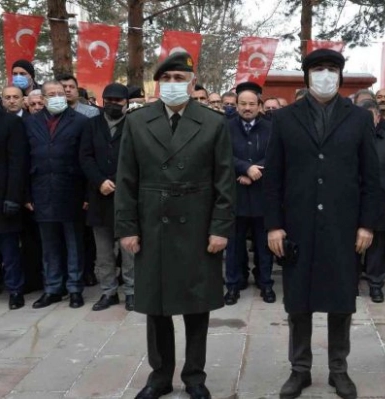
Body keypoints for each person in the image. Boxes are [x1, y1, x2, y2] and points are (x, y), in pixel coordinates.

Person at [115, 52, 235, 399]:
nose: (172, 86)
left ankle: (195, 376)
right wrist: (127, 227)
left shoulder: (213, 123)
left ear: (192, 83)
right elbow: (126, 179)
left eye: (179, 80)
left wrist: (220, 227)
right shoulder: (137, 122)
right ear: (157, 84)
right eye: (166, 80)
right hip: (153, 224)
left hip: (197, 225)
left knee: (197, 306)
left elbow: (224, 182)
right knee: (157, 305)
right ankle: (160, 376)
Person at [264, 49, 382, 399]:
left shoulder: (359, 118)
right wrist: (274, 225)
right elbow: (274, 177)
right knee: (298, 301)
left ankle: (338, 369)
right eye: (318, 69)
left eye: (332, 69)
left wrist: (367, 225)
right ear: (307, 75)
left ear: (340, 75)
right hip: (297, 224)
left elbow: (371, 178)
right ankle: (299, 369)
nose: (325, 75)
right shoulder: (285, 118)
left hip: (343, 226)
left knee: (341, 299)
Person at [24, 81, 89, 309]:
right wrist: (26, 194)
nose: (57, 97)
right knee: (49, 244)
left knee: (74, 243)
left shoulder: (80, 122)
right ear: (42, 98)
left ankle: (74, 288)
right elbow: (24, 159)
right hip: (41, 189)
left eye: (60, 93)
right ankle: (52, 288)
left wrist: (87, 194)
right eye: (51, 94)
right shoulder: (30, 123)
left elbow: (86, 159)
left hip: (71, 190)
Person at [79, 83, 135, 312]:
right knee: (103, 251)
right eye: (108, 100)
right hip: (99, 195)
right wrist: (100, 181)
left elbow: (138, 158)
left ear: (126, 102)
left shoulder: (134, 125)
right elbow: (85, 156)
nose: (113, 104)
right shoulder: (91, 125)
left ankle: (132, 291)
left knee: (129, 249)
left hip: (127, 196)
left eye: (118, 100)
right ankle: (108, 292)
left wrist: (118, 181)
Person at [224, 81, 275, 305]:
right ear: (236, 105)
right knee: (234, 246)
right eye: (242, 103)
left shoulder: (271, 128)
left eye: (251, 104)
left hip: (262, 195)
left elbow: (276, 156)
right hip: (236, 194)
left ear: (259, 105)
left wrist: (256, 170)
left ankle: (265, 283)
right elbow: (222, 156)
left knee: (264, 246)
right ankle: (233, 285)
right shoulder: (226, 127)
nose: (247, 108)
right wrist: (245, 168)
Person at [358, 99, 385, 303]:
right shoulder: (349, 139)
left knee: (377, 246)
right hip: (353, 199)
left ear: (378, 118)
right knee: (351, 244)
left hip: (380, 200)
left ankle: (375, 285)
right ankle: (351, 282)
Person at [0, 105, 28, 309]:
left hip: (3, 197)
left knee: (9, 249)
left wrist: (13, 197)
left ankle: (15, 290)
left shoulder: (10, 122)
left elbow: (18, 163)